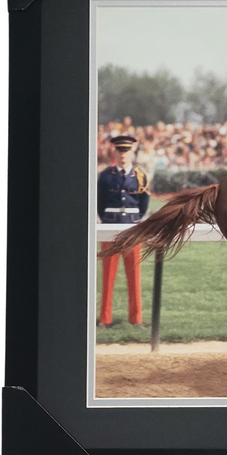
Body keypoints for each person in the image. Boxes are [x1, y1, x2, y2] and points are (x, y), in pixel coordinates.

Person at [97, 135, 151, 327]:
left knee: (134, 275)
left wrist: (134, 221)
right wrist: (108, 221)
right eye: (120, 151)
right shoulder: (106, 176)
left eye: (126, 151)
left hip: (132, 228)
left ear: (132, 152)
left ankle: (136, 319)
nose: (123, 155)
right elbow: (100, 203)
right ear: (115, 152)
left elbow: (143, 204)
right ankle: (105, 319)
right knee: (108, 276)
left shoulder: (140, 176)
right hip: (110, 228)